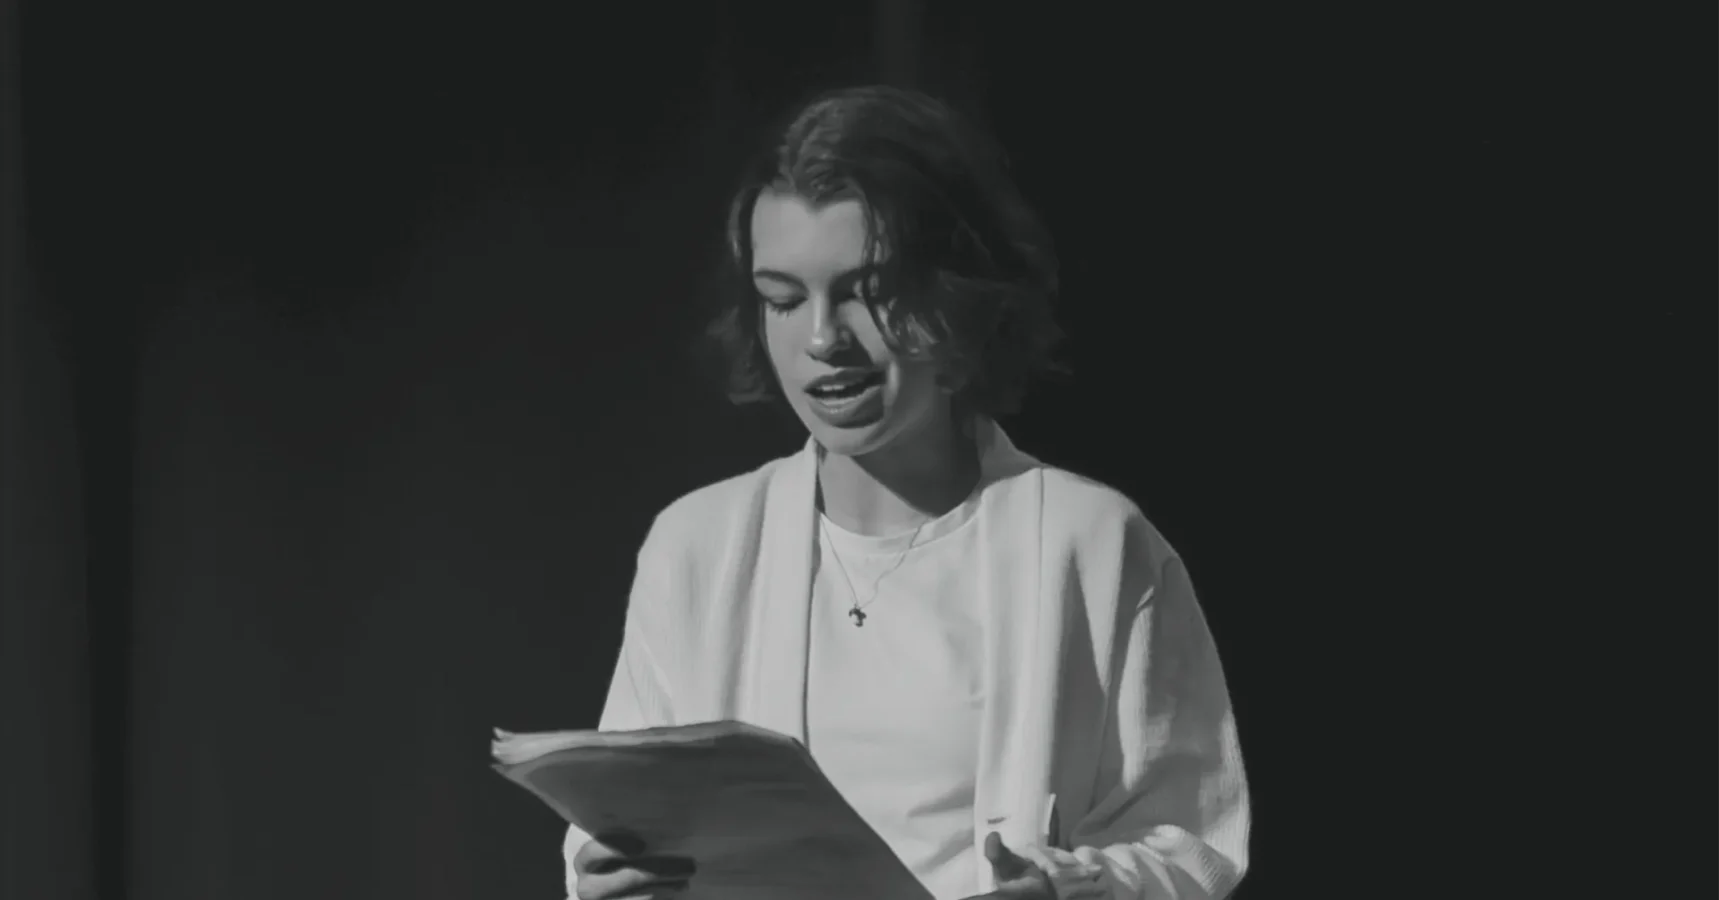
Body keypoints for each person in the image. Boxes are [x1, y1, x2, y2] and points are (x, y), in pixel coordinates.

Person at [562, 86, 1250, 900]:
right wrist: (612, 877)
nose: (821, 339)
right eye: (783, 299)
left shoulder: (1090, 541)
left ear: (955, 290)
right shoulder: (697, 545)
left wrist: (1078, 887)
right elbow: (615, 836)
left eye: (865, 290)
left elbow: (1192, 840)